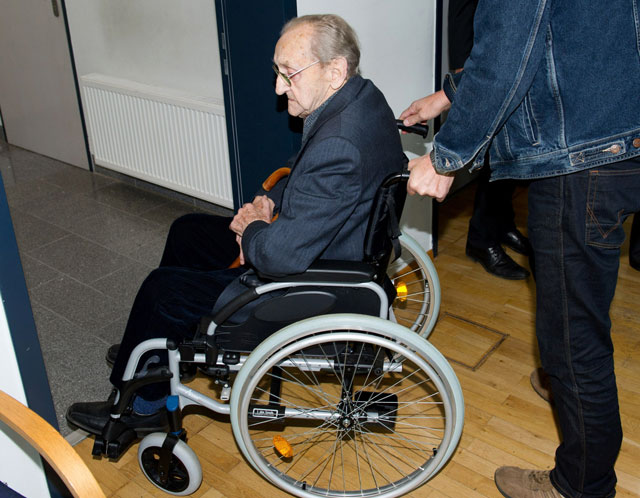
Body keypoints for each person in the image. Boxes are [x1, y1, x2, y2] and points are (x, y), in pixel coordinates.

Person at [66, 13, 404, 436]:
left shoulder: (339, 142)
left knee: (162, 289)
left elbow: (279, 255)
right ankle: (162, 353)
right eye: (277, 72)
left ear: (334, 70)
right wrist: (270, 204)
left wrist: (253, 230)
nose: (279, 89)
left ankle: (138, 407)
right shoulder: (362, 100)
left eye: (288, 75)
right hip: (328, 247)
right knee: (188, 230)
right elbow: (311, 175)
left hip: (309, 284)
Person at [403, 1, 640, 497]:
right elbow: (565, 33)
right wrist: (447, 95)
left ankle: (581, 485)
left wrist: (447, 157)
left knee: (573, 337)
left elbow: (511, 49)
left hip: (576, 159)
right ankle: (562, 382)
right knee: (578, 306)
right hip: (617, 136)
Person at [450, 0, 532, 280]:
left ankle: (502, 224)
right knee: (496, 154)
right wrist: (461, 65)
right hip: (488, 60)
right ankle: (481, 240)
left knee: (514, 152)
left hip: (517, 60)